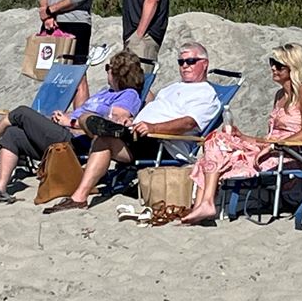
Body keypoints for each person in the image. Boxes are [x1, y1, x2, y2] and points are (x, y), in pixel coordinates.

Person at [41, 42, 221, 214]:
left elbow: (189, 123)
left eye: (190, 61)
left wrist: (152, 126)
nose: (185, 66)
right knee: (100, 135)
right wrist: (133, 121)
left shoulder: (206, 94)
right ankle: (80, 195)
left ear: (204, 64)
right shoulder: (171, 88)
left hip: (161, 143)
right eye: (181, 62)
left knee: (96, 128)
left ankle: (103, 132)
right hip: (138, 134)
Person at [0, 49, 146, 204]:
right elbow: (81, 112)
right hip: (63, 132)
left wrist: (71, 123)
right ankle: (0, 190)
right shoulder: (106, 92)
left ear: (117, 73)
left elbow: (110, 126)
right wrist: (64, 117)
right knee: (13, 133)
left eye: (108, 68)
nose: (106, 71)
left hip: (75, 142)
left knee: (20, 112)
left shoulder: (128, 95)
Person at [180, 42, 302, 225]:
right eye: (272, 62)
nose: (273, 68)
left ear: (293, 67)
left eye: (279, 65)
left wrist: (272, 145)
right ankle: (203, 205)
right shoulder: (279, 95)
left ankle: (203, 204)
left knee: (218, 154)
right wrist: (244, 137)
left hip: (290, 156)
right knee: (217, 138)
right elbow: (269, 137)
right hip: (270, 150)